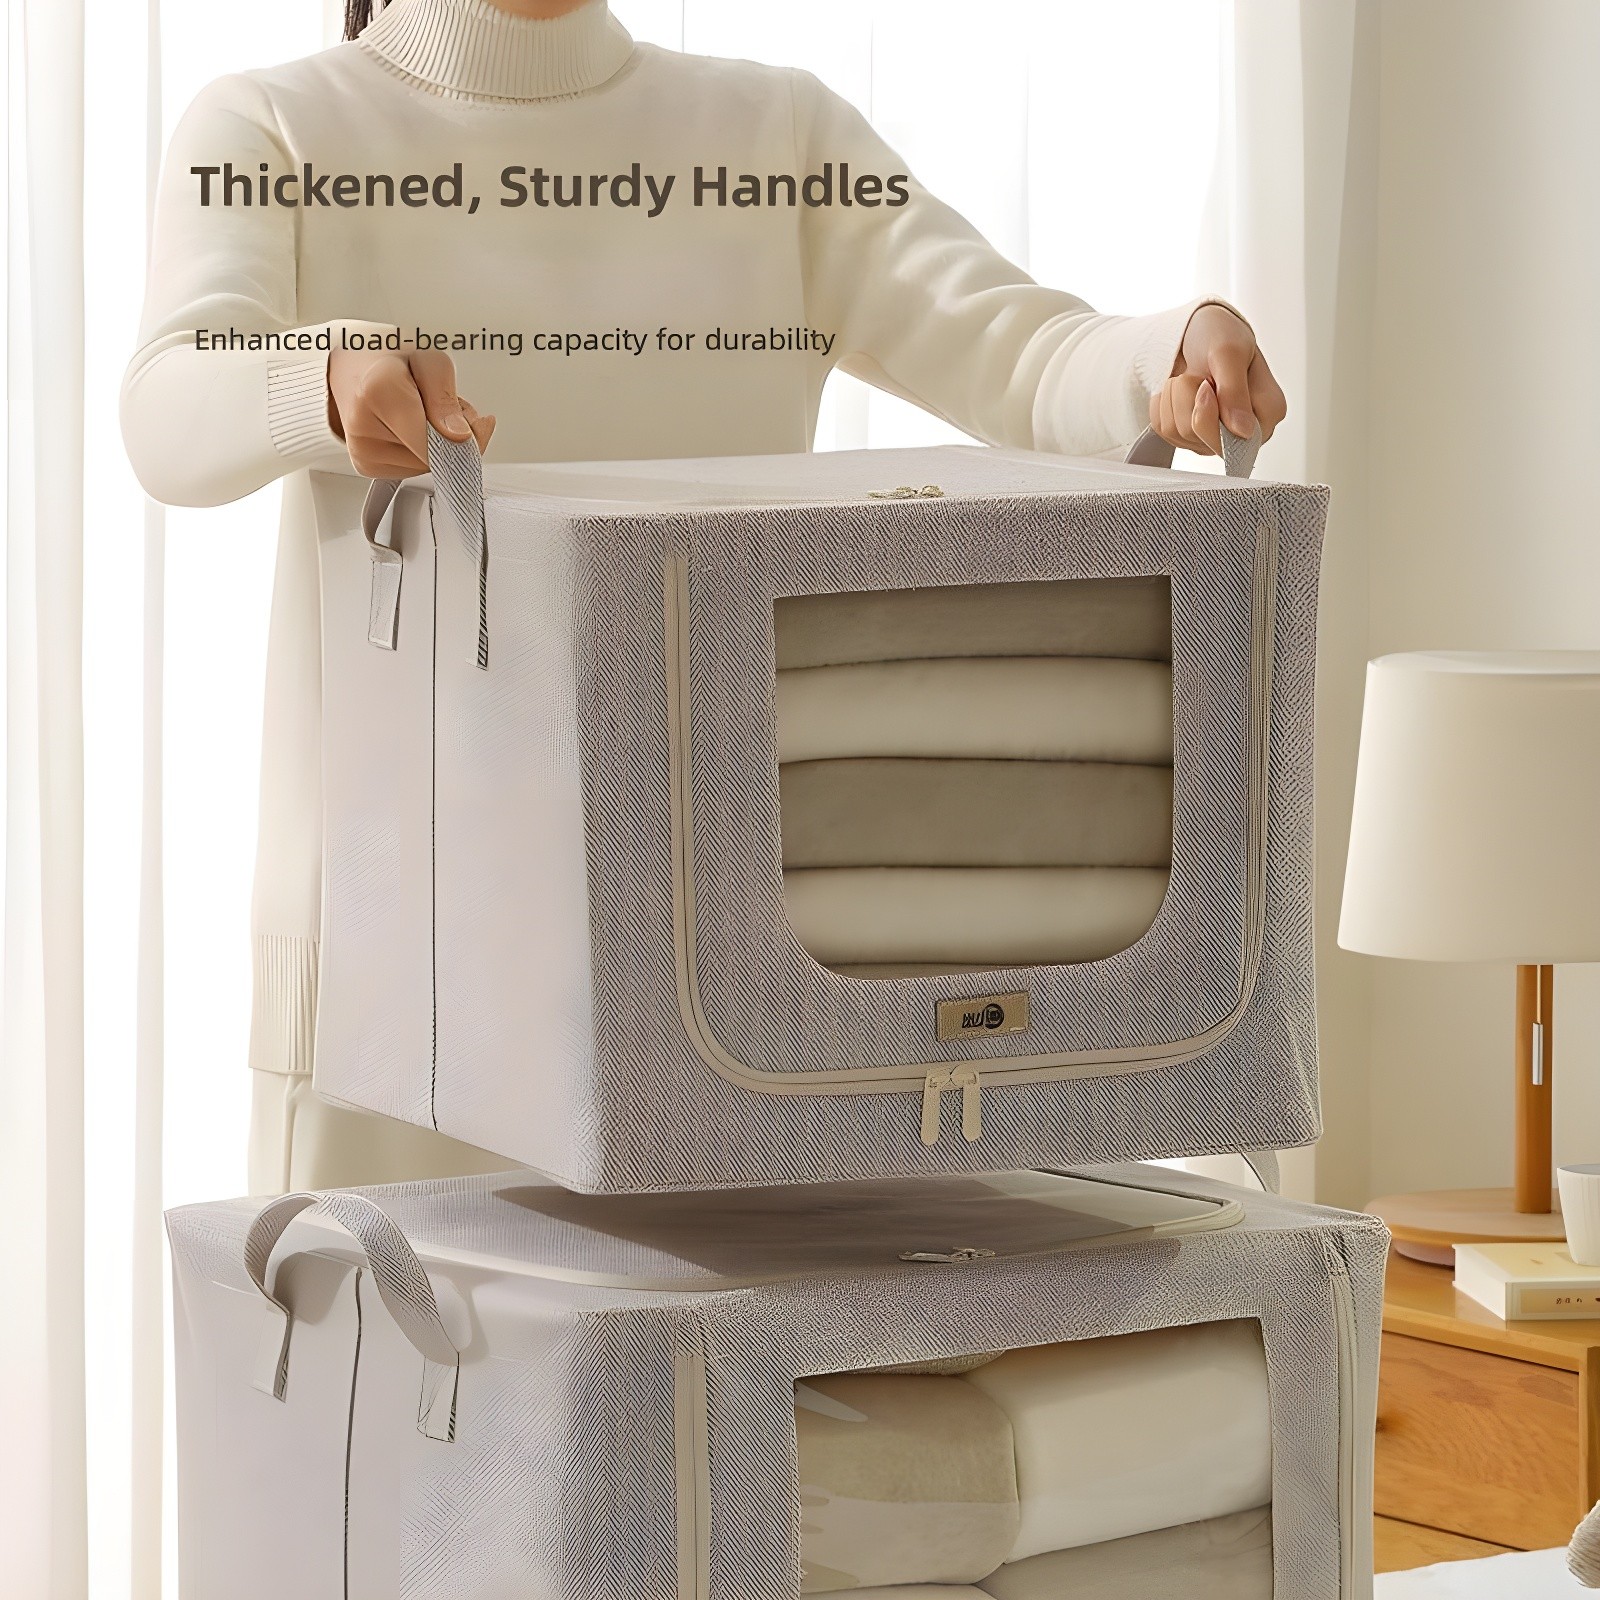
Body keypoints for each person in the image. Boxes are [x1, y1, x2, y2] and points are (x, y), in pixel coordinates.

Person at [122, 0, 1287, 1195]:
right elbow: (167, 402)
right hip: (405, 969)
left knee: (720, 1379)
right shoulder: (276, 127)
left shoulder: (774, 136)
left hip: (729, 969)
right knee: (409, 1369)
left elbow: (1018, 351)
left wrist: (1167, 354)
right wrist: (316, 380)